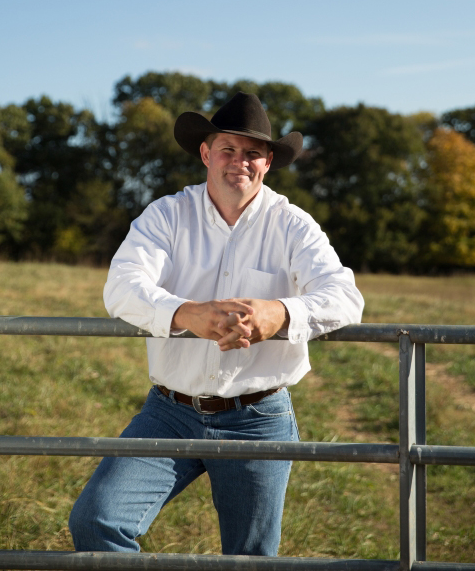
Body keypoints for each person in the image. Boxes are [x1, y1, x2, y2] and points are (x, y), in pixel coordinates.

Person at [69, 92, 364, 556]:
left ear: (268, 163)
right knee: (96, 522)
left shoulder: (293, 225)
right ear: (205, 153)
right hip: (169, 412)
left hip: (259, 416)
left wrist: (280, 314)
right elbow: (122, 285)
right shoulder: (167, 215)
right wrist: (187, 314)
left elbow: (345, 297)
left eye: (253, 153)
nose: (239, 162)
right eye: (228, 149)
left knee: (249, 561)